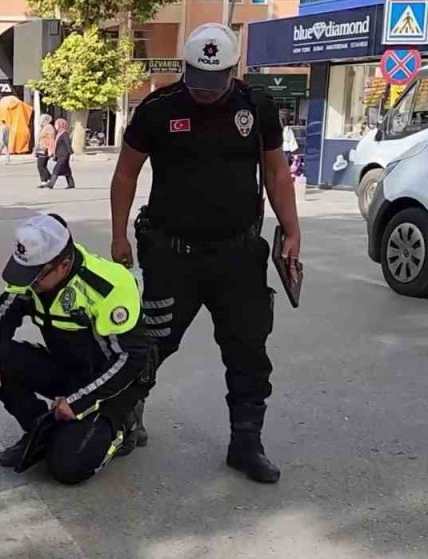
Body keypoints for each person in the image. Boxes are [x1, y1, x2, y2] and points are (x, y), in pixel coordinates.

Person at [109, 23, 302, 484]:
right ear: (185, 68)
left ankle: (246, 441)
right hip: (171, 255)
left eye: (216, 84)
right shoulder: (158, 108)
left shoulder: (256, 107)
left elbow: (277, 174)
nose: (205, 93)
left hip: (238, 256)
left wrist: (292, 230)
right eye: (197, 80)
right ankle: (124, 415)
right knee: (152, 344)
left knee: (248, 350)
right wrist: (120, 237)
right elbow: (125, 175)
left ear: (235, 71)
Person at [0, 214, 152, 485]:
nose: (27, 283)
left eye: (34, 277)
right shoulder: (31, 275)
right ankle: (40, 430)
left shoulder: (107, 285)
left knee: (67, 467)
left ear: (63, 265)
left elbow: (131, 357)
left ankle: (124, 427)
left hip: (112, 382)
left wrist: (79, 402)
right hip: (68, 368)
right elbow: (2, 316)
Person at [44, 118, 74, 189]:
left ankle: (51, 184)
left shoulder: (64, 133)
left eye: (56, 124)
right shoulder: (59, 134)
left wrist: (71, 153)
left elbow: (68, 144)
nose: (55, 126)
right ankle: (71, 183)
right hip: (60, 155)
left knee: (56, 169)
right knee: (67, 170)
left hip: (64, 155)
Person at [34, 114, 54, 186]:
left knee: (40, 165)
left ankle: (47, 180)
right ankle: (48, 179)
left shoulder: (49, 127)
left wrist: (50, 148)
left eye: (41, 120)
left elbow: (51, 138)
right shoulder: (43, 127)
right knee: (42, 165)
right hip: (41, 148)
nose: (40, 121)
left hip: (45, 148)